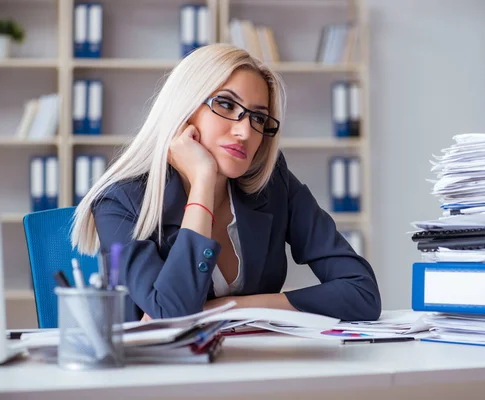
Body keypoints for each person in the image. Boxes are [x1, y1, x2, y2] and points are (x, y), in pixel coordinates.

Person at [70, 43, 381, 322]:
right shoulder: (120, 201)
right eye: (227, 105)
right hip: (158, 379)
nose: (245, 132)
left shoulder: (274, 186)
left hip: (252, 368)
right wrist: (203, 181)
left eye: (258, 118)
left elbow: (362, 293)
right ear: (185, 110)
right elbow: (172, 313)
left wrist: (235, 306)